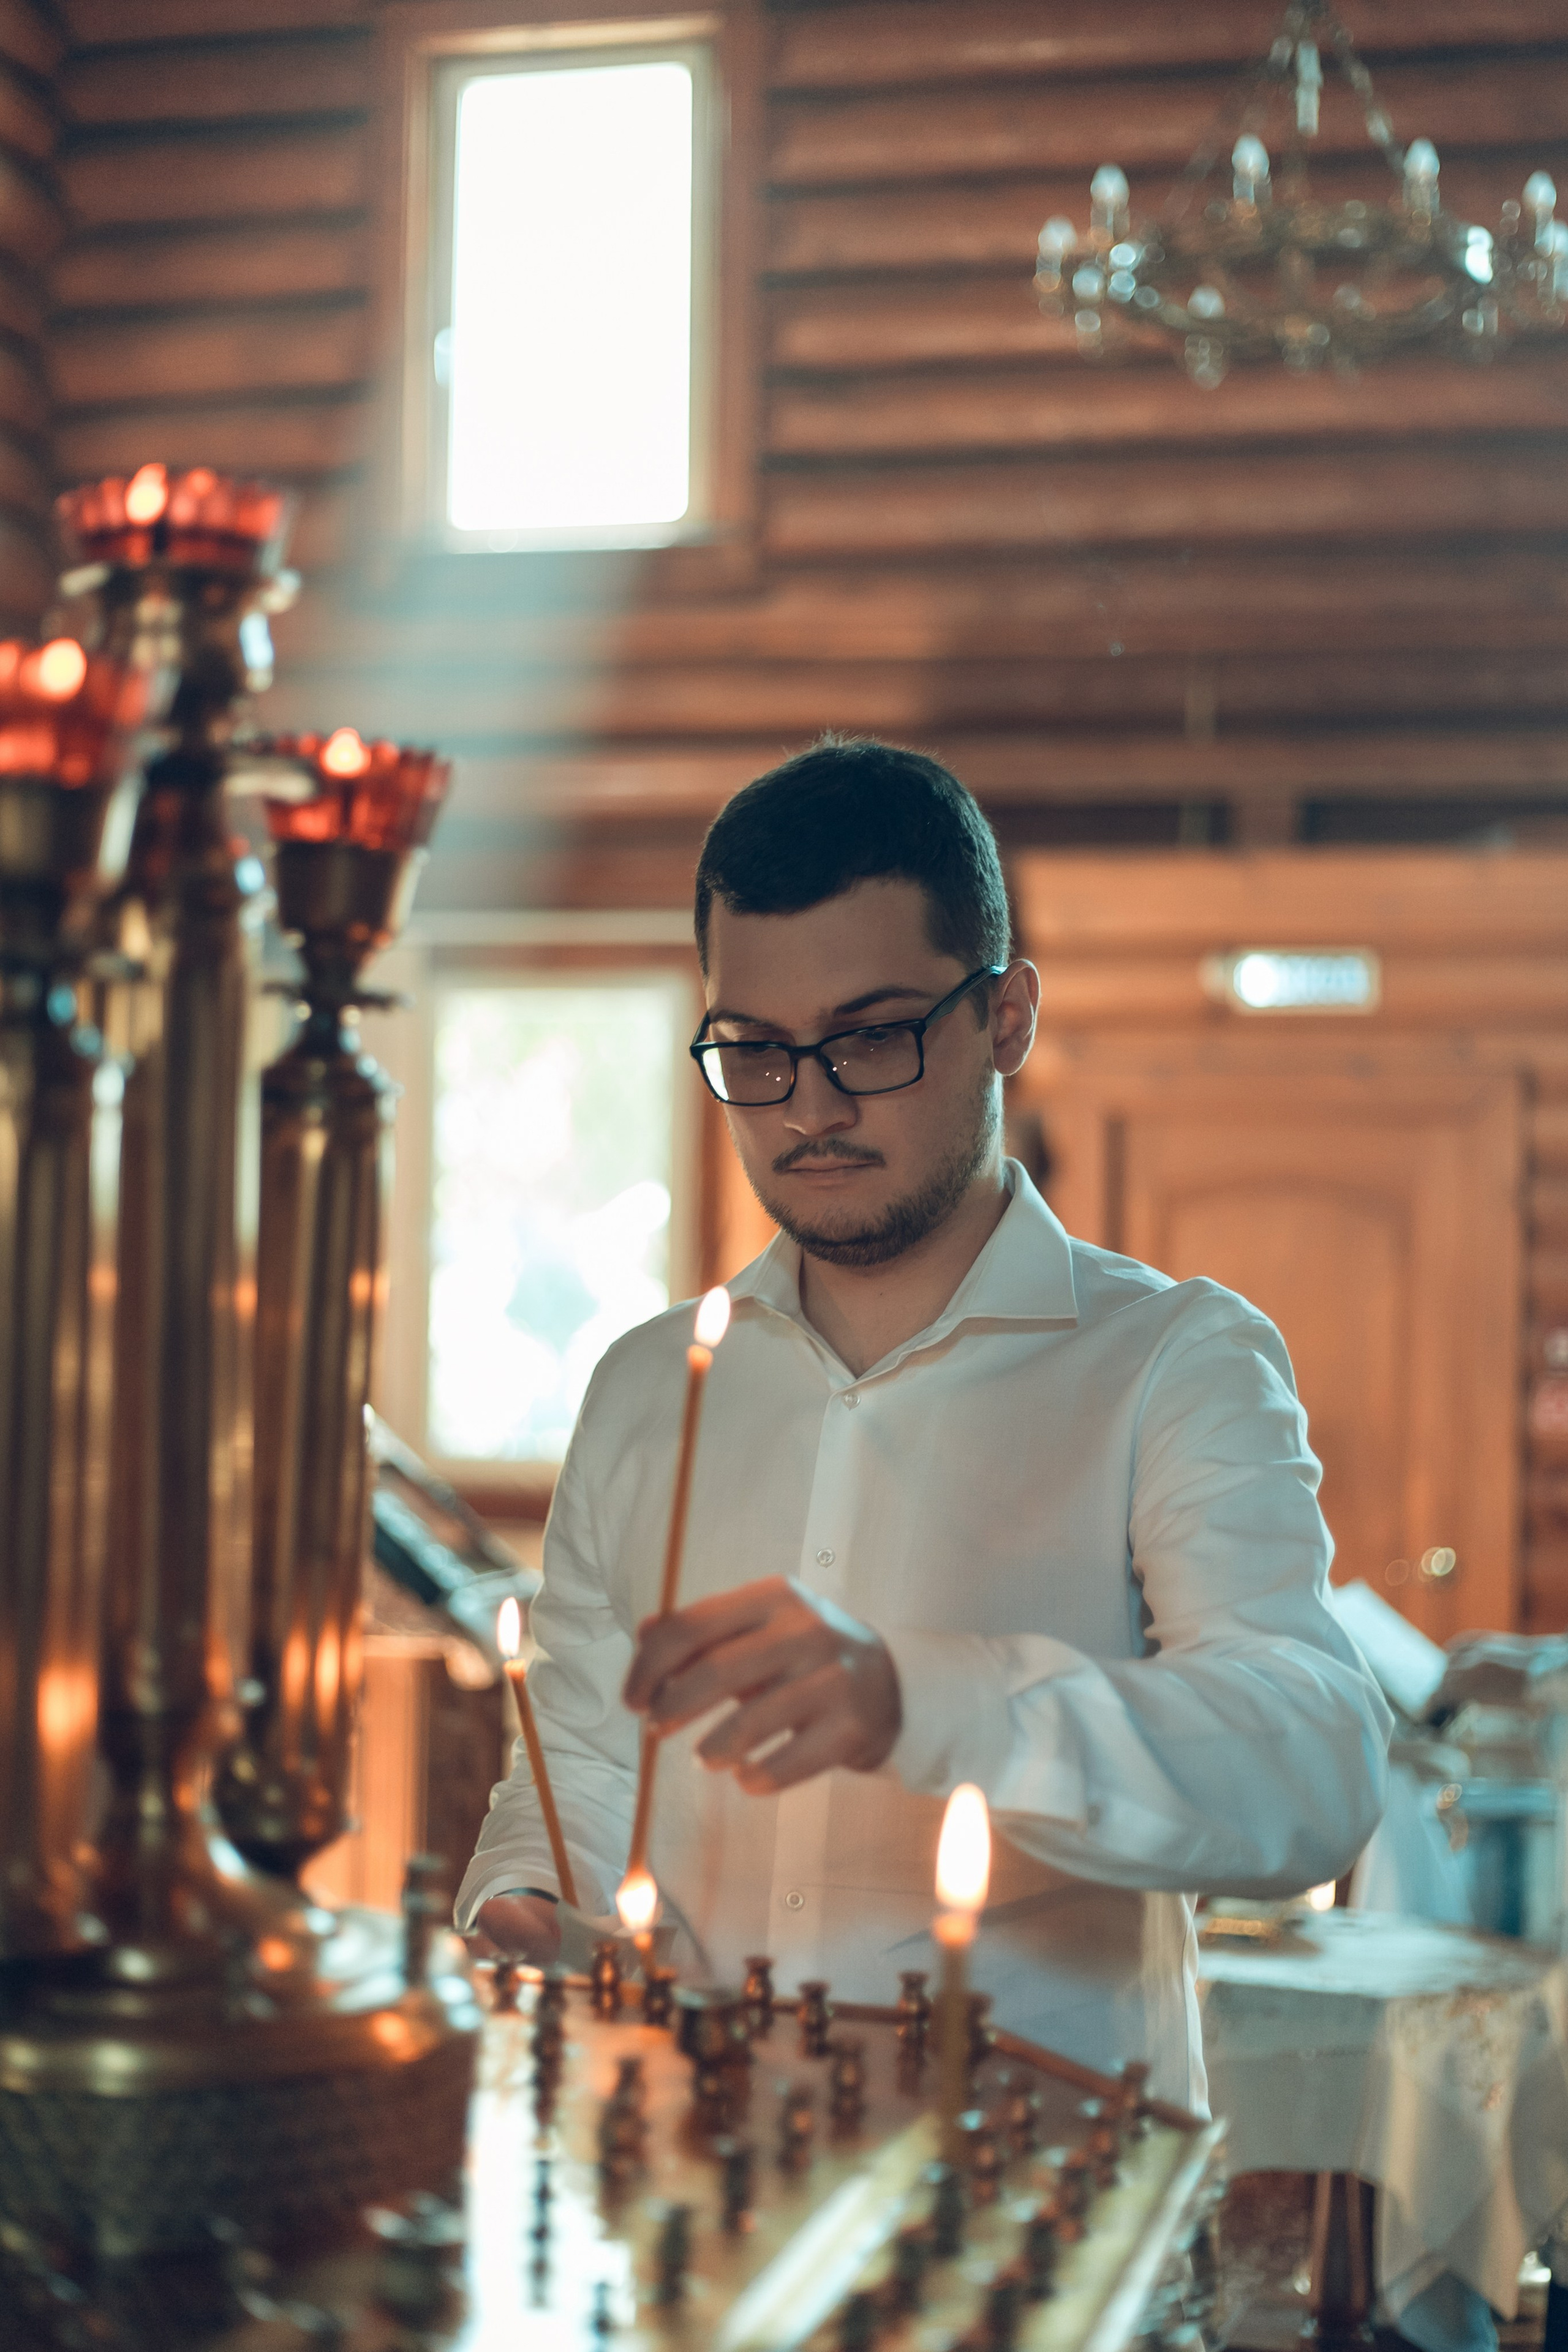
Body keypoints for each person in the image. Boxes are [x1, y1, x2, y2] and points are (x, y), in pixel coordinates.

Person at [455, 737, 1390, 2108]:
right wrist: (528, 1892)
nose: (811, 1106)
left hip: (1040, 2226)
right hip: (693, 2189)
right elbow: (586, 1750)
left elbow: (1312, 1763)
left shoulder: (1171, 1362)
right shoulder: (648, 1385)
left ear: (1003, 1016)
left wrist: (923, 1699)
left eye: (872, 1036)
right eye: (757, 1053)